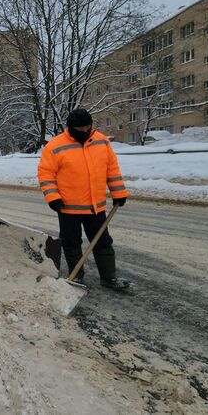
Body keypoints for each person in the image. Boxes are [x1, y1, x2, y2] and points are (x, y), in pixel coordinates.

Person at [37, 108, 131, 290]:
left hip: (95, 206)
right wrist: (53, 197)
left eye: (88, 127)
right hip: (67, 207)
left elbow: (111, 169)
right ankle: (76, 277)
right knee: (72, 243)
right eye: (80, 128)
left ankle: (109, 277)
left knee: (103, 242)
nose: (84, 131)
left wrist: (118, 193)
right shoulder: (55, 146)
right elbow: (46, 174)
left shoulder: (102, 142)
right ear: (70, 127)